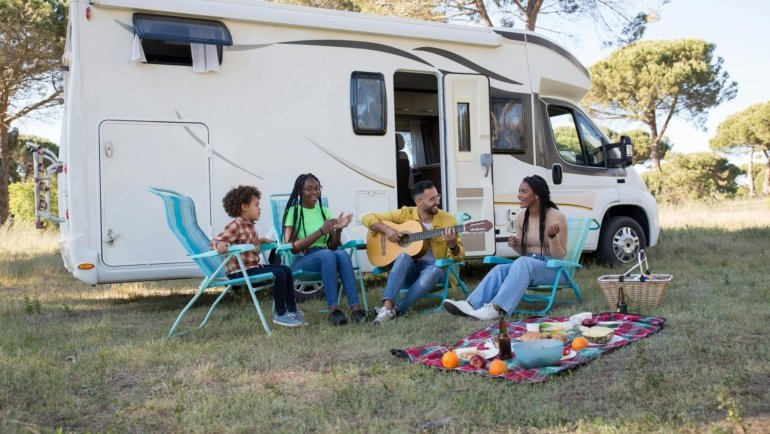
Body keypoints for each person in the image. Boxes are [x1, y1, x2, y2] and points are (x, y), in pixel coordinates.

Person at [442, 175, 568, 320]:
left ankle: (496, 308)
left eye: (523, 191)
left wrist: (552, 238)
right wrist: (516, 246)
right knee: (499, 269)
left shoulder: (557, 217)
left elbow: (560, 256)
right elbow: (524, 253)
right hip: (528, 266)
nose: (519, 195)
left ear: (537, 194)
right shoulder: (522, 217)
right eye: (519, 191)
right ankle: (470, 304)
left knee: (522, 262)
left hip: (554, 270)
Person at [362, 180, 464, 324]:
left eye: (438, 197)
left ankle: (397, 310)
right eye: (432, 199)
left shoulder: (448, 220)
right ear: (419, 201)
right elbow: (366, 218)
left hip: (433, 271)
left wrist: (453, 245)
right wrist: (387, 230)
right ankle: (386, 307)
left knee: (435, 270)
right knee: (403, 256)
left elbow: (460, 256)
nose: (437, 202)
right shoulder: (405, 214)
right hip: (408, 271)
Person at [211, 185, 307, 328]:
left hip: (253, 267)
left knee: (286, 269)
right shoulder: (236, 224)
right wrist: (219, 245)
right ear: (244, 206)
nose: (259, 208)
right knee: (279, 273)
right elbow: (216, 241)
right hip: (240, 272)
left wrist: (260, 240)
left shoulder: (250, 226)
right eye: (256, 205)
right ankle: (280, 314)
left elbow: (246, 242)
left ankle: (292, 311)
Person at [282, 173, 367, 325]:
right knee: (329, 254)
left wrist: (338, 230)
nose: (314, 192)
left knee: (340, 253)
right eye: (309, 189)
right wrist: (321, 231)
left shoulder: (324, 211)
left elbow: (333, 246)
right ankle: (333, 310)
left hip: (326, 256)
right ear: (300, 191)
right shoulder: (293, 212)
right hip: (303, 259)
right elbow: (291, 247)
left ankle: (356, 310)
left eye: (317, 188)